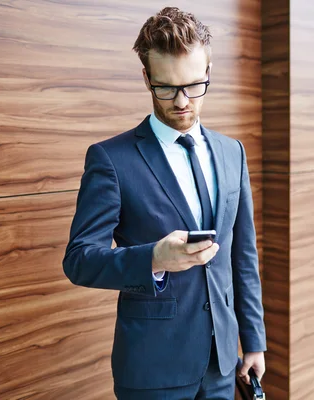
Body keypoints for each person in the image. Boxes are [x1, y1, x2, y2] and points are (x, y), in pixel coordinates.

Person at [62, 7, 266, 399]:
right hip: (152, 368)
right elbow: (79, 259)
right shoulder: (111, 160)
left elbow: (243, 255)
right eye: (166, 87)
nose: (182, 101)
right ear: (146, 78)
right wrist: (154, 258)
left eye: (193, 85)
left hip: (222, 363)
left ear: (208, 72)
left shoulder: (231, 152)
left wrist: (253, 338)